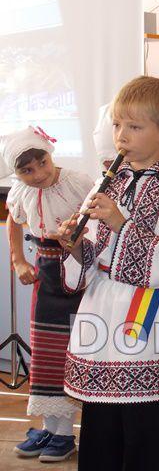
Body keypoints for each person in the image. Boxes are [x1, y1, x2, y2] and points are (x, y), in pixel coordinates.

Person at [51, 76, 159, 471]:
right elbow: (94, 254)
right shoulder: (107, 182)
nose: (122, 136)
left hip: (145, 319)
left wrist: (120, 223)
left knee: (142, 430)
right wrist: (75, 245)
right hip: (101, 308)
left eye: (134, 126)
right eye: (117, 125)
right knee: (99, 427)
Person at [2, 126, 94, 462]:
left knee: (70, 352)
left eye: (42, 163)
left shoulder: (77, 182)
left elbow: (99, 224)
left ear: (50, 154)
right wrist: (18, 260)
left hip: (79, 274)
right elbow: (14, 220)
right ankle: (49, 426)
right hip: (46, 274)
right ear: (16, 174)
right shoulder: (20, 191)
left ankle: (65, 433)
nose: (39, 174)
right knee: (46, 352)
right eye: (27, 171)